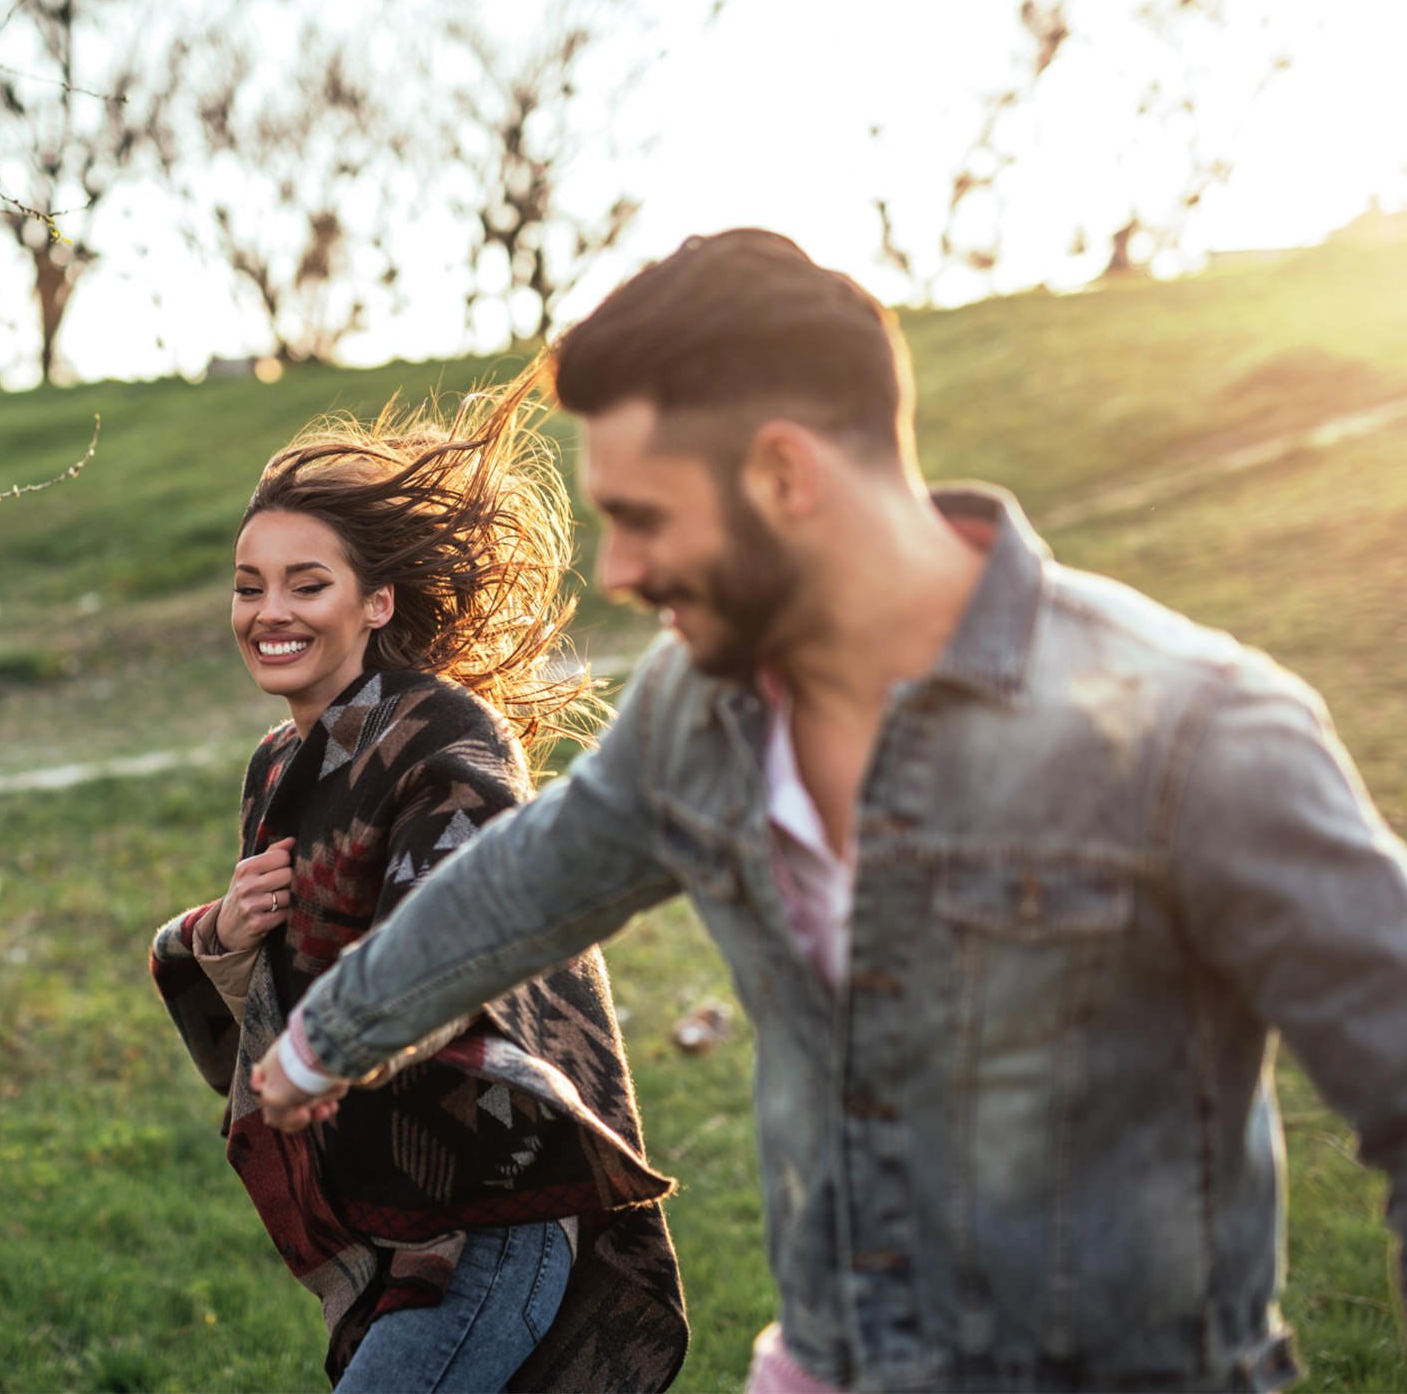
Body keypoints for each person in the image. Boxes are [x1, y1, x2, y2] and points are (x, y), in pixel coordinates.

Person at [254, 228, 1407, 1392]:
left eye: (643, 516)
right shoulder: (696, 713)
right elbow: (522, 887)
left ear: (786, 476)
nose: (614, 570)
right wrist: (325, 1041)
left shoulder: (1191, 733)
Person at [149, 368, 689, 1392]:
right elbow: (273, 997)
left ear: (375, 600)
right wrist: (221, 931)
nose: (269, 610)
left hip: (491, 1211)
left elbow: (467, 918)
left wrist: (350, 1020)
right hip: (391, 1217)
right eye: (246, 583)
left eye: (306, 584)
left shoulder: (440, 729)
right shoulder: (278, 765)